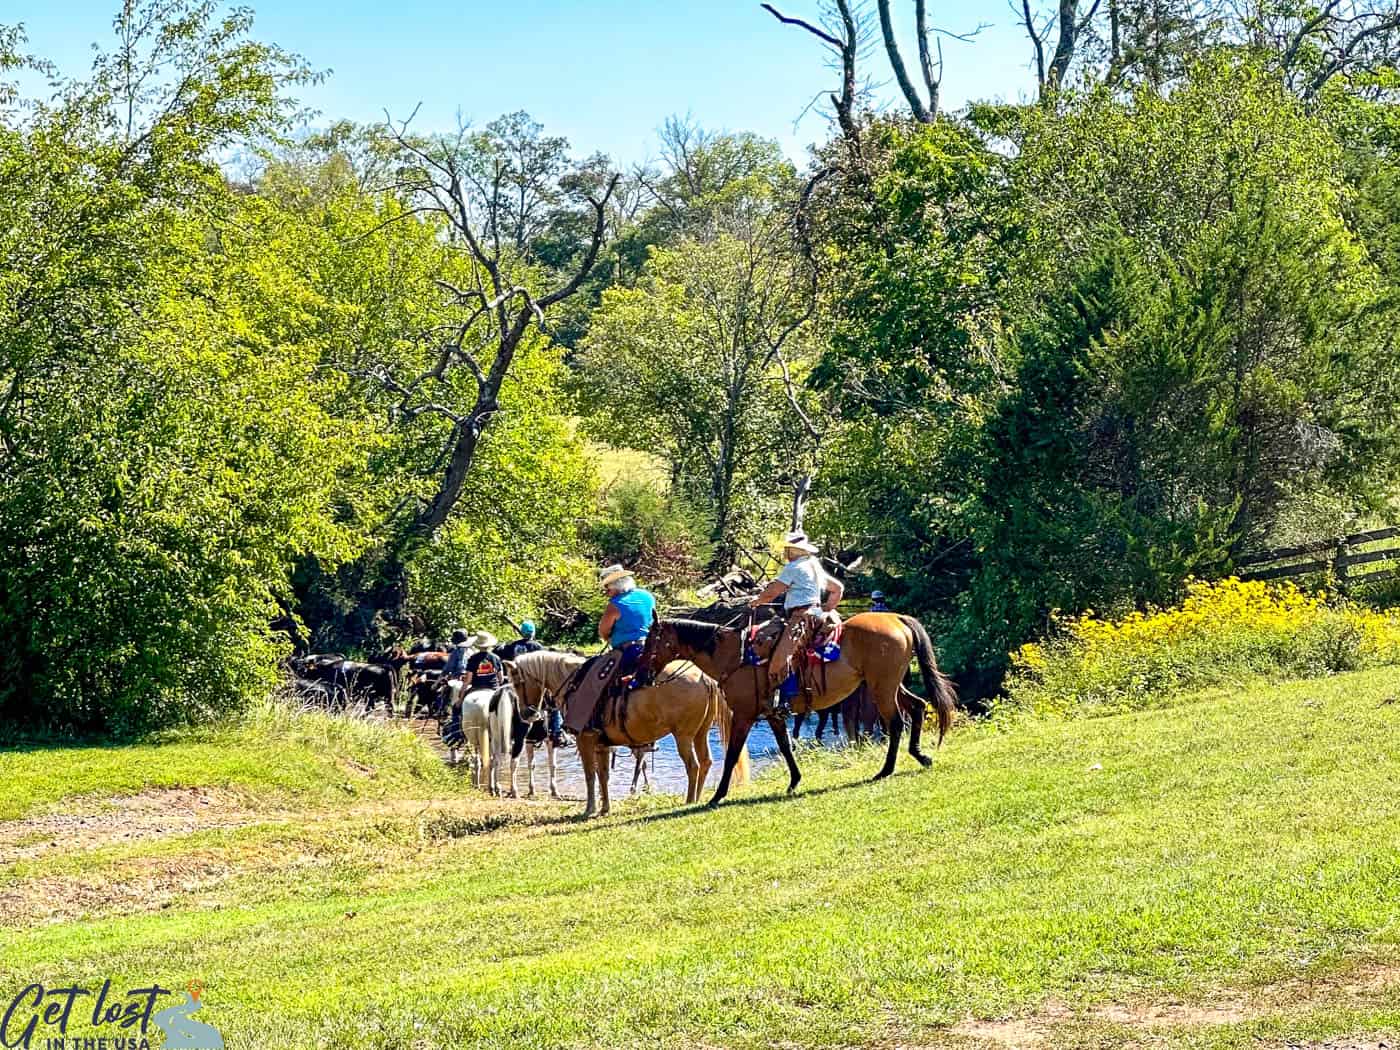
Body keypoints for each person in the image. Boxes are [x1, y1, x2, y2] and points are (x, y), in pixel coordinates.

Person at [749, 530, 845, 714]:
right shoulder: (813, 564)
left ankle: (783, 700)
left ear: (794, 551)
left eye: (788, 549)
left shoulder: (794, 568)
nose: (785, 553)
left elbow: (773, 591)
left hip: (801, 616)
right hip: (815, 612)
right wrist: (827, 608)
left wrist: (756, 601)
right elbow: (837, 588)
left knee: (780, 658)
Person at [561, 565, 657, 734]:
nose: (606, 592)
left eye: (607, 587)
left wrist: (612, 637)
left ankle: (589, 723)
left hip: (627, 650)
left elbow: (603, 631)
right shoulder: (648, 596)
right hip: (651, 647)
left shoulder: (615, 605)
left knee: (591, 677)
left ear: (617, 586)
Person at [496, 621, 567, 747]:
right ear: (533, 632)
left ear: (522, 632)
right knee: (554, 704)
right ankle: (557, 732)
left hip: (516, 682)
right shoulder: (537, 646)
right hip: (533, 683)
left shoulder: (513, 646)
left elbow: (501, 655)